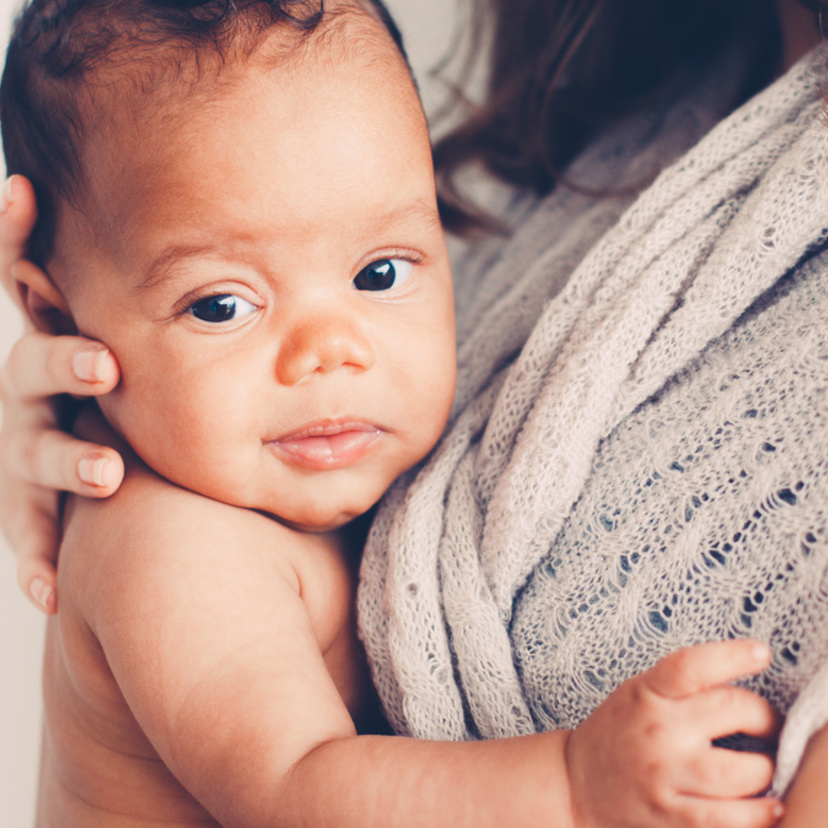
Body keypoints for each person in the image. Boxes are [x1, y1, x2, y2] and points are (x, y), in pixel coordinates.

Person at [0, 0, 786, 826]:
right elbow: (300, 787)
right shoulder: (167, 543)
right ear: (57, 321)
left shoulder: (287, 459)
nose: (330, 353)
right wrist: (573, 786)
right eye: (221, 305)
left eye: (378, 274)